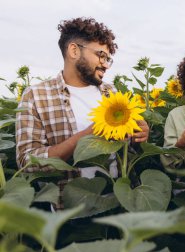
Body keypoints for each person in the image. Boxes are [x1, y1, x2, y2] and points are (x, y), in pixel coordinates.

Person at [16, 17, 149, 178]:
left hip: (119, 199)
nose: (105, 64)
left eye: (108, 59)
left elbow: (128, 150)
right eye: (101, 55)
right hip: (68, 200)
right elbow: (27, 163)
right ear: (74, 51)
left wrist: (138, 137)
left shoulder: (112, 93)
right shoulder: (37, 96)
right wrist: (89, 134)